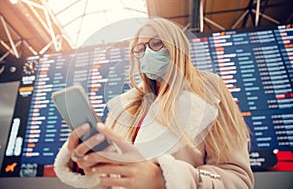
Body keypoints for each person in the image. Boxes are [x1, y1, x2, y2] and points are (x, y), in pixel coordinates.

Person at [54, 18, 254, 189]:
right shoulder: (125, 107)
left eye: (156, 43)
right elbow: (114, 180)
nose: (146, 53)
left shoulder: (207, 91)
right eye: (139, 49)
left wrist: (163, 178)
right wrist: (88, 163)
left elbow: (239, 180)